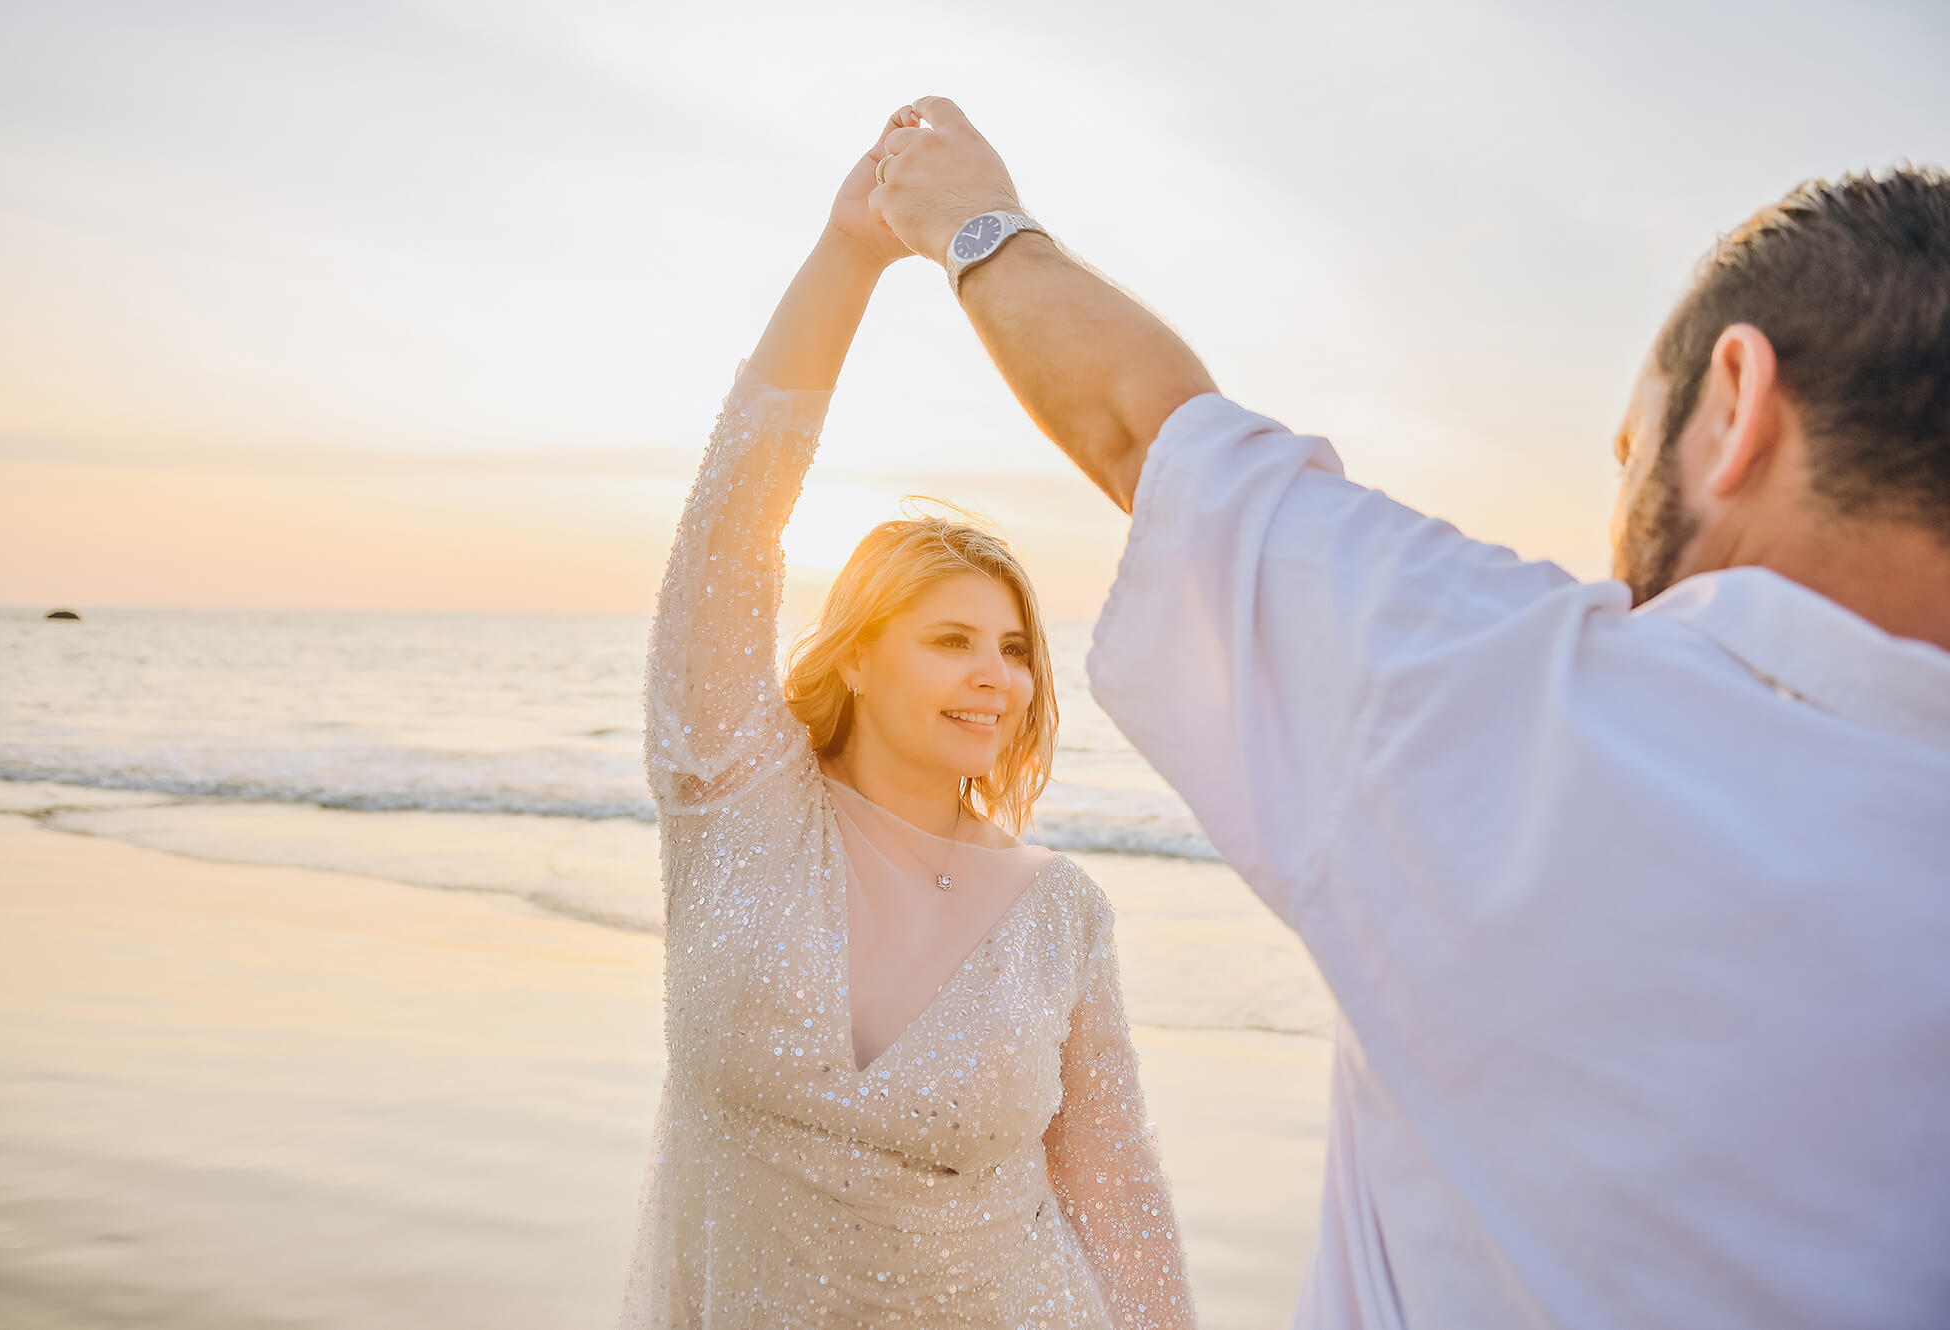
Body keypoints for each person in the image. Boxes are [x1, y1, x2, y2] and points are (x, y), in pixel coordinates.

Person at [870, 97, 1950, 1329]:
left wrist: (966, 215)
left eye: (1626, 447)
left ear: (1735, 401)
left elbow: (1141, 428)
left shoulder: (1523, 702)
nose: (1612, 526)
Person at [619, 108, 1195, 1329]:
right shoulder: (734, 802)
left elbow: (1116, 1198)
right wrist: (849, 254)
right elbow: (731, 522)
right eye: (949, 640)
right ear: (859, 656)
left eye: (1014, 651)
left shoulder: (1059, 919)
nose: (996, 677)